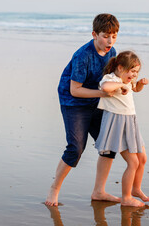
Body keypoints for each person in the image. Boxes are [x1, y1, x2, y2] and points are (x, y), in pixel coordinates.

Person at [45, 13, 120, 207]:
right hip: (73, 102)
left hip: (96, 99)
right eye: (105, 35)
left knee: (108, 145)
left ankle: (99, 191)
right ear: (95, 34)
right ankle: (54, 189)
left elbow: (114, 79)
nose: (110, 40)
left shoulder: (112, 53)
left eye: (114, 35)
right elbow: (75, 90)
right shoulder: (83, 55)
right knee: (75, 148)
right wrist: (103, 94)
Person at [94, 51, 149, 207]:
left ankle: (136, 189)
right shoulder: (111, 78)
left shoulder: (128, 80)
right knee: (133, 162)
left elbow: (135, 89)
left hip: (131, 122)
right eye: (132, 71)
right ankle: (126, 198)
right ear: (120, 68)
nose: (134, 75)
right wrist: (121, 84)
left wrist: (140, 84)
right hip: (117, 124)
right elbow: (105, 87)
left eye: (136, 72)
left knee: (142, 158)